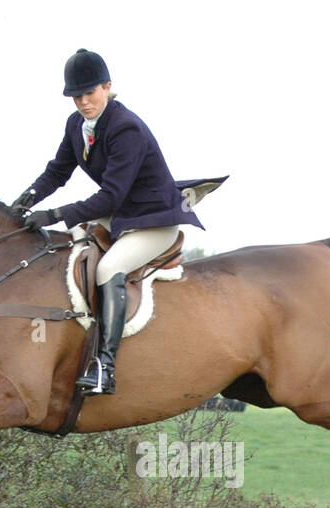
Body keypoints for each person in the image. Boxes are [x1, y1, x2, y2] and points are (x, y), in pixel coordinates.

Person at [11, 48, 203, 396]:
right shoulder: (77, 125)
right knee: (65, 241)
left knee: (107, 269)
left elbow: (110, 196)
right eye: (76, 96)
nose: (84, 102)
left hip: (152, 219)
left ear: (107, 86)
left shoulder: (125, 127)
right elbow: (58, 171)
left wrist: (55, 213)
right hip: (123, 212)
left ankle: (104, 368)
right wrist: (25, 201)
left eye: (90, 93)